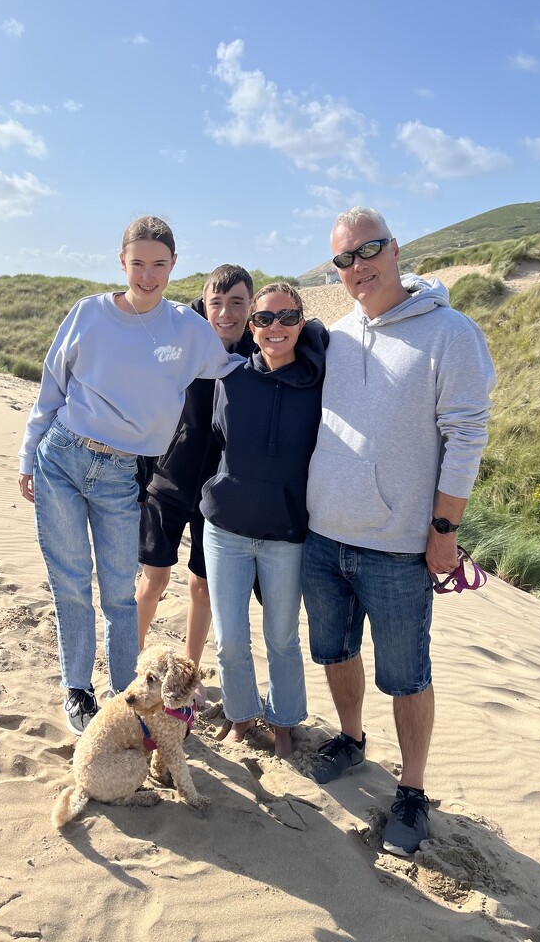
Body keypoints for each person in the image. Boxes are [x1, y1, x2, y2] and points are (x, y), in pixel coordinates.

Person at [301, 207, 495, 855]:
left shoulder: (450, 333)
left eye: (369, 250)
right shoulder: (334, 335)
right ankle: (351, 740)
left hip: (396, 547)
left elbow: (465, 436)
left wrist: (444, 529)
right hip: (323, 539)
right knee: (334, 652)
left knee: (406, 674)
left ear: (395, 248)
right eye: (344, 259)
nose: (358, 267)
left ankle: (410, 789)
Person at [18, 216, 243, 736]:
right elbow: (52, 388)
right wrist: (28, 455)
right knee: (71, 584)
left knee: (120, 595)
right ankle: (77, 690)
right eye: (138, 263)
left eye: (158, 264)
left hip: (122, 473)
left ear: (172, 266)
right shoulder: (88, 314)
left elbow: (235, 367)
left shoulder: (188, 329)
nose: (147, 275)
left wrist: (301, 339)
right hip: (63, 458)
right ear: (122, 262)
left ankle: (123, 701)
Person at [201, 283, 328, 758]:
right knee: (230, 638)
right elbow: (217, 436)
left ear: (302, 322)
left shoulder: (320, 382)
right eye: (264, 319)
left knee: (281, 637)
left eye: (287, 317)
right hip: (226, 529)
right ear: (251, 326)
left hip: (286, 534)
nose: (275, 328)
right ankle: (239, 716)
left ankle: (284, 723)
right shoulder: (230, 378)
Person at [135, 265, 254, 685]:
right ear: (204, 307)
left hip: (218, 495)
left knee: (202, 586)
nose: (225, 313)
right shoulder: (181, 346)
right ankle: (129, 662)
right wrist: (140, 477)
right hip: (166, 483)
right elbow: (145, 405)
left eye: (236, 302)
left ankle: (186, 675)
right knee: (154, 580)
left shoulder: (258, 357)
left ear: (250, 306)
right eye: (216, 303)